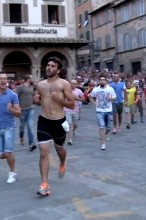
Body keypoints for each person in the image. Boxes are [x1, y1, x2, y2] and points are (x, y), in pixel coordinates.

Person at [34, 57, 75, 196]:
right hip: (44, 121)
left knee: (60, 150)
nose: (48, 67)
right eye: (47, 65)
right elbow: (39, 100)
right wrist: (36, 100)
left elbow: (72, 104)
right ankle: (45, 185)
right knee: (43, 153)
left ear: (58, 70)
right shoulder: (40, 84)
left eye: (52, 66)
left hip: (59, 121)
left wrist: (60, 100)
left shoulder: (64, 84)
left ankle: (63, 161)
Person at [0, 71, 21, 184]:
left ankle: (12, 173)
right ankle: (10, 154)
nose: (3, 80)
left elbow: (19, 113)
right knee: (0, 155)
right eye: (0, 78)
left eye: (5, 78)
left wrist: (11, 110)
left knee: (7, 153)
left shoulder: (13, 95)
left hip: (9, 127)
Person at [89, 74, 116, 150]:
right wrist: (93, 102)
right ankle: (103, 144)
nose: (102, 81)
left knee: (109, 127)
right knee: (101, 126)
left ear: (106, 81)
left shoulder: (110, 89)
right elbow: (90, 96)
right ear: (99, 81)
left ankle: (104, 134)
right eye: (101, 80)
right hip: (99, 111)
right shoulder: (96, 89)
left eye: (103, 80)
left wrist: (110, 98)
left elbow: (114, 98)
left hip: (109, 110)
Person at [15, 74, 37, 151]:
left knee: (30, 127)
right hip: (22, 110)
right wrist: (17, 107)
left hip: (31, 109)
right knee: (22, 126)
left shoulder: (32, 87)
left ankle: (31, 144)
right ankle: (21, 137)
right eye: (31, 78)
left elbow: (35, 96)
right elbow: (15, 96)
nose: (32, 79)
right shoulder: (21, 87)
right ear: (28, 79)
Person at [64, 79, 85, 145]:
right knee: (69, 124)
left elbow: (84, 99)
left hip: (75, 110)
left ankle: (73, 130)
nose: (72, 85)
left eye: (74, 83)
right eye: (71, 83)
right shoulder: (66, 91)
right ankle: (70, 139)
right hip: (67, 110)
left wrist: (77, 98)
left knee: (75, 124)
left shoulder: (79, 91)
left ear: (76, 85)